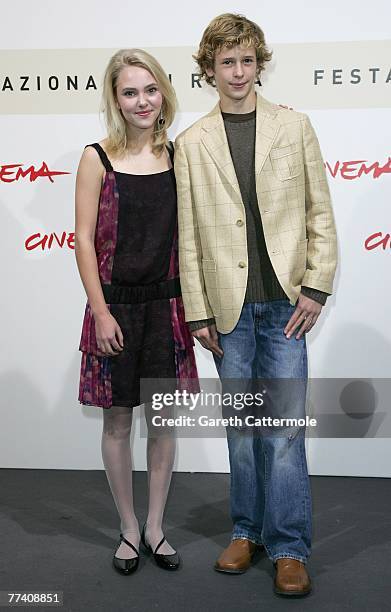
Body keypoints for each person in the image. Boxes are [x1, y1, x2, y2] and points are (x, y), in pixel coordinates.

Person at [174, 14, 337, 596]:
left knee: (284, 430)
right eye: (226, 62)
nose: (237, 72)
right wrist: (197, 311)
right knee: (242, 429)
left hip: (287, 307)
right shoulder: (190, 144)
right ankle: (247, 532)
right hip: (229, 312)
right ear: (209, 69)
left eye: (246, 61)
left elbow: (321, 211)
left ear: (258, 64)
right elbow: (189, 234)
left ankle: (290, 546)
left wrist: (316, 287)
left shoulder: (294, 128)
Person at [75, 48, 198, 575]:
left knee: (164, 423)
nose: (141, 101)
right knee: (119, 422)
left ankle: (155, 526)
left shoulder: (181, 155)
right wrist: (101, 312)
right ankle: (127, 527)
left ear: (163, 93)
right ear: (116, 99)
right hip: (116, 308)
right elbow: (82, 239)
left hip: (167, 307)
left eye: (150, 90)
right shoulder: (95, 157)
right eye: (130, 92)